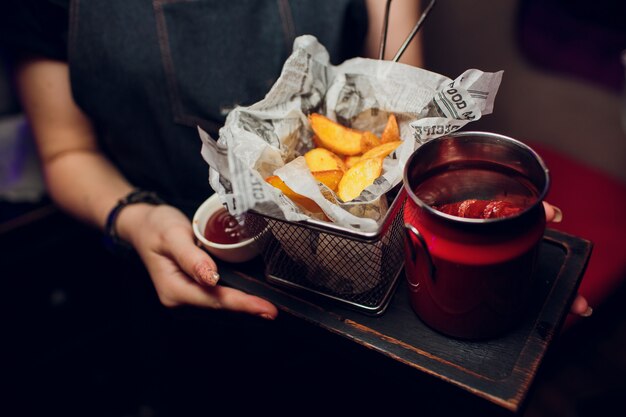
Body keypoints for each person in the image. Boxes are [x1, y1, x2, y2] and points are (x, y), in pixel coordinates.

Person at [0, 0, 591, 414]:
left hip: (370, 277)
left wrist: (467, 219)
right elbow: (65, 150)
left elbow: (397, 101)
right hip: (186, 275)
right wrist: (134, 217)